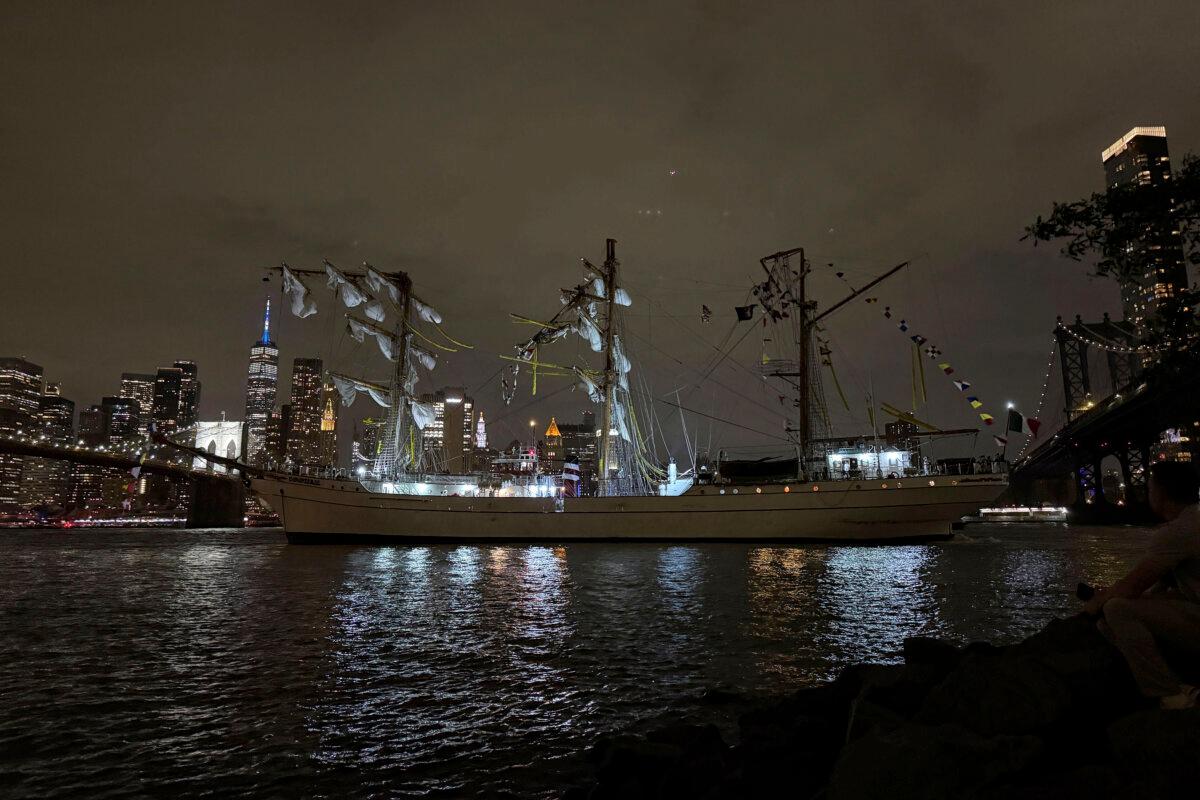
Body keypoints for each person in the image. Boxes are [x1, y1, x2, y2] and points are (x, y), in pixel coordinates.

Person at [1084, 461, 1200, 709]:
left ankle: (1170, 694)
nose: (1147, 494)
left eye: (1150, 488)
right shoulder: (1193, 519)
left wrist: (1094, 604)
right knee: (1110, 619)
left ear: (1161, 493)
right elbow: (1155, 584)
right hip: (1193, 607)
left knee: (1117, 609)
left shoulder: (1177, 531)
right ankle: (1182, 683)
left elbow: (1132, 587)